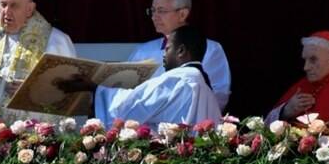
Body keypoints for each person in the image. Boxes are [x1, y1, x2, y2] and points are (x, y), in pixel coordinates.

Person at [60, 26, 222, 131]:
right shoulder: (206, 88)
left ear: (180, 51)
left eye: (167, 49)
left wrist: (95, 88)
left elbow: (133, 104)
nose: (164, 55)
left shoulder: (177, 78)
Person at [128, 0, 231, 111]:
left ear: (183, 14)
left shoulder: (210, 49)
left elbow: (219, 95)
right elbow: (130, 91)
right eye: (153, 10)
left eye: (161, 11)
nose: (154, 17)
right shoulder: (143, 51)